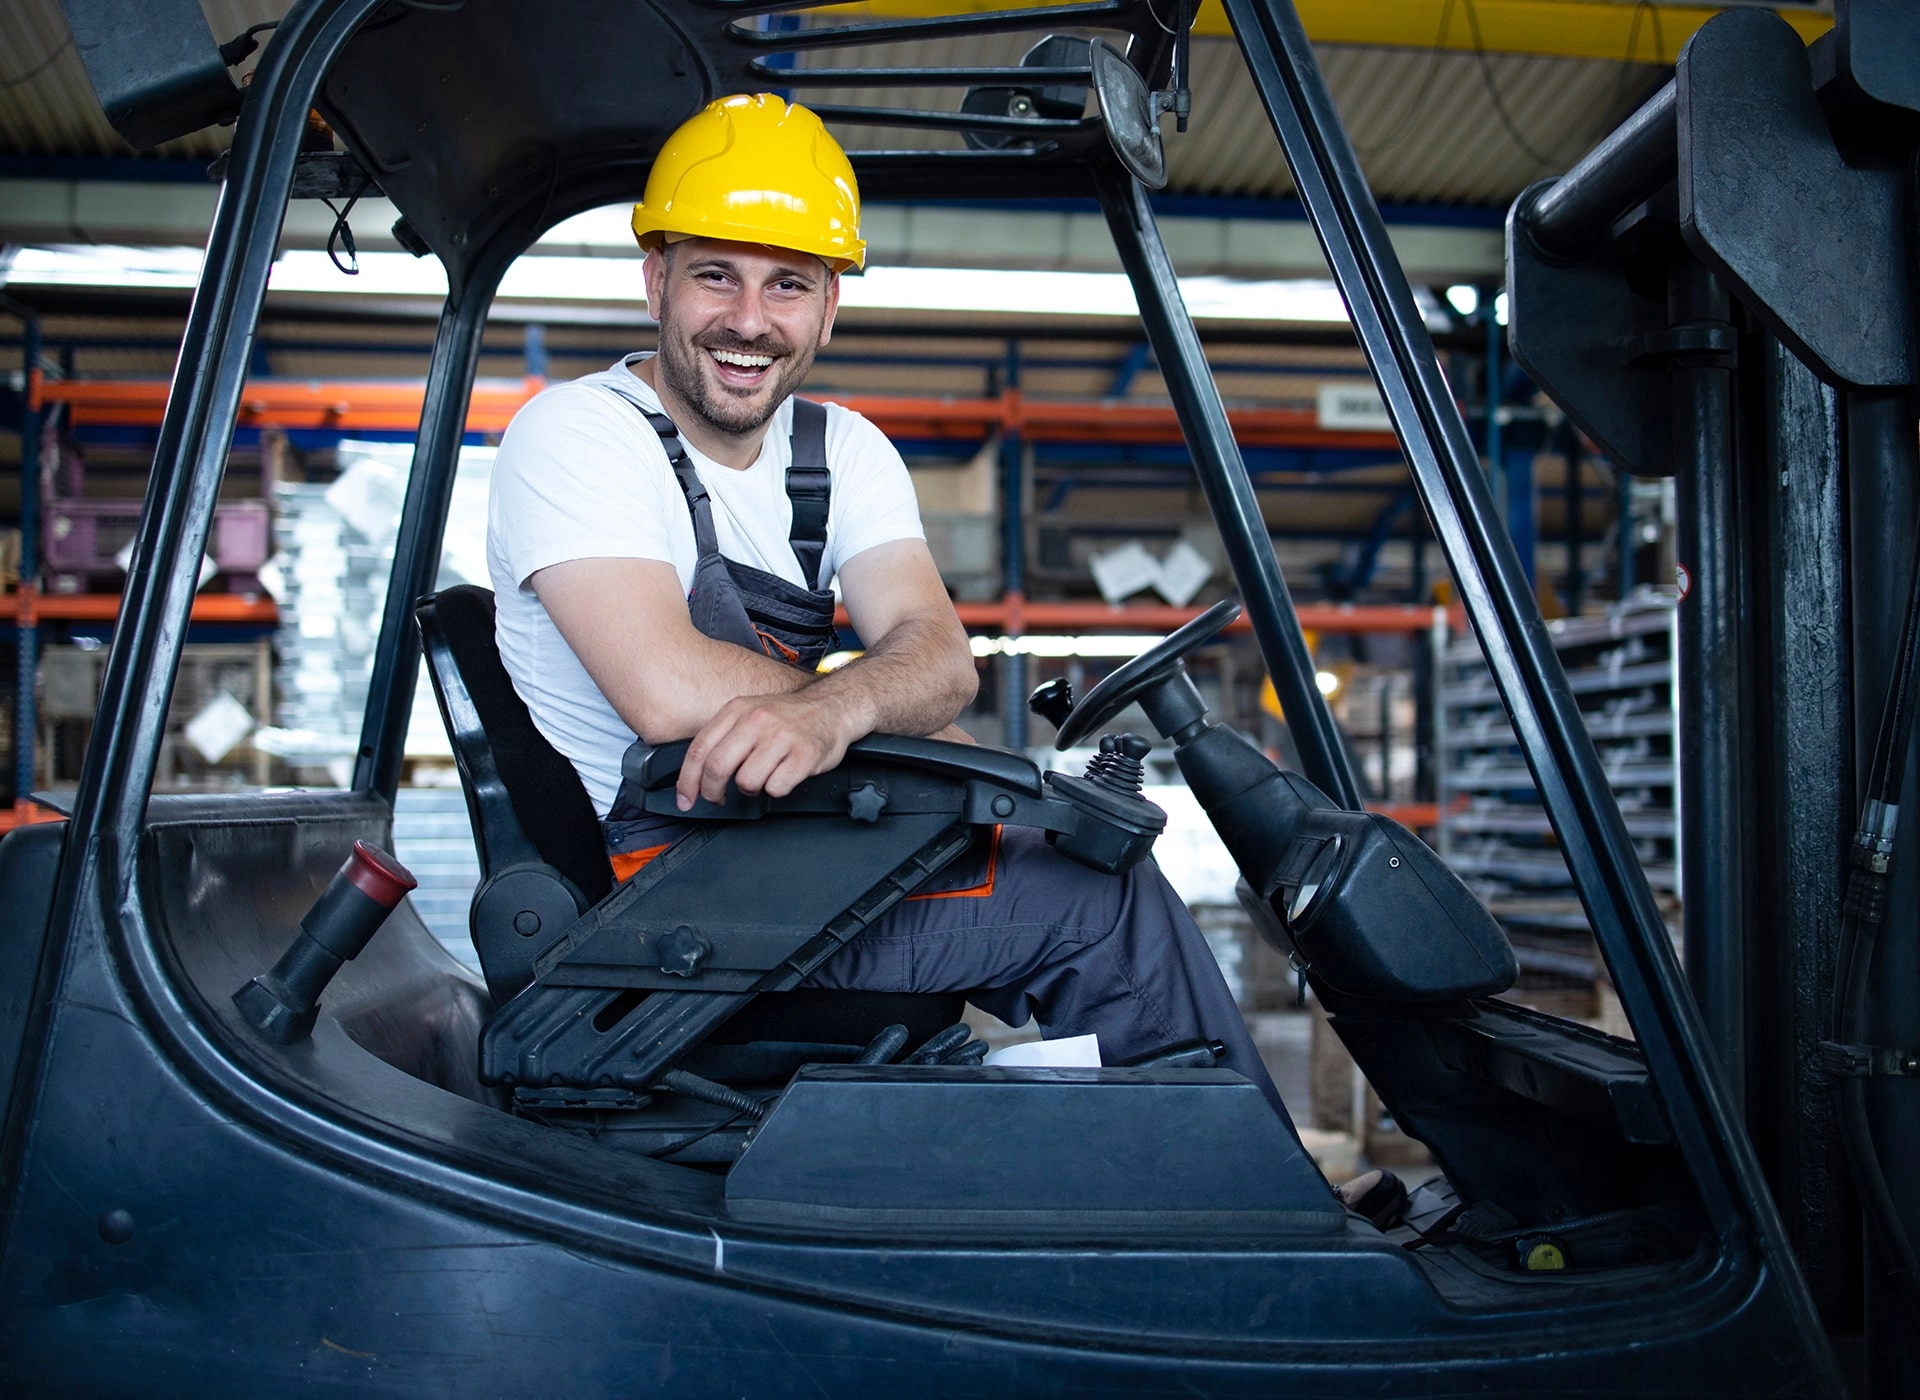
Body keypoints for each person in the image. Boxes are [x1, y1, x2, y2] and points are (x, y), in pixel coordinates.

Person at [485, 93, 1291, 1120]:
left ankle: (1151, 1170)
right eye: (714, 276)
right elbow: (664, 683)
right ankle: (1254, 1207)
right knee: (1105, 902)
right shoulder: (581, 434)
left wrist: (837, 711)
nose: (748, 319)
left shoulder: (840, 450)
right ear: (656, 281)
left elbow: (941, 659)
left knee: (1074, 846)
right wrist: (868, 702)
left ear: (828, 307)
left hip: (801, 844)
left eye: (788, 284)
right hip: (674, 897)